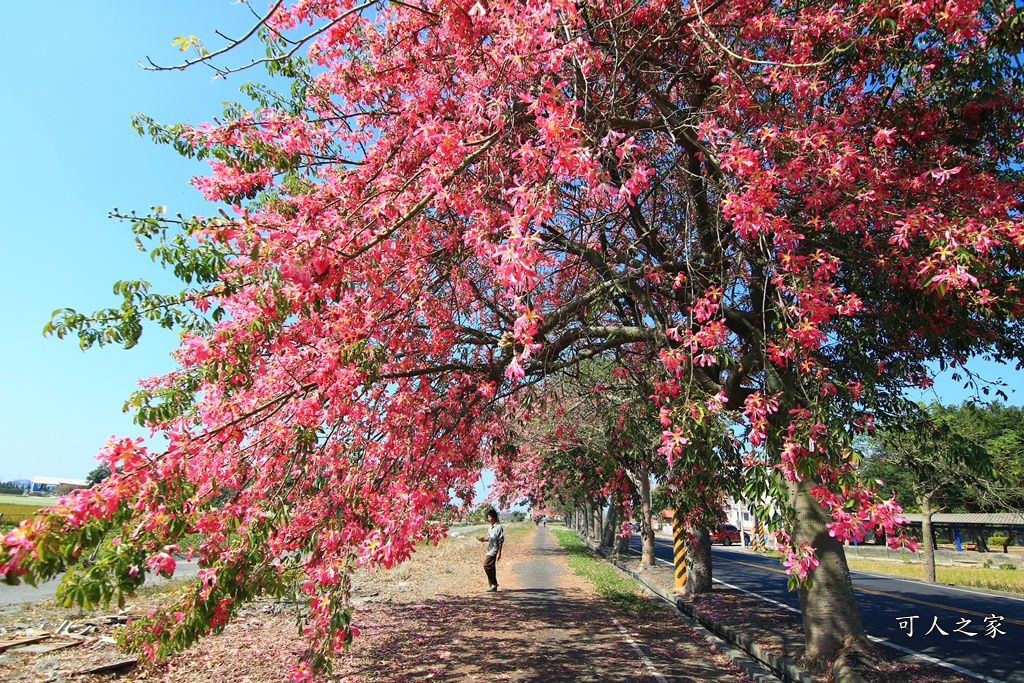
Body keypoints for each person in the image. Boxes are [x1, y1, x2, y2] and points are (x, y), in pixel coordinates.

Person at [477, 509, 504, 592]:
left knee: (486, 565)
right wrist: (483, 540)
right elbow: (489, 538)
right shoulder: (490, 527)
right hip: (489, 548)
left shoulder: (498, 527)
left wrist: (499, 553)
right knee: (491, 567)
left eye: (489, 517)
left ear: (494, 517)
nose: (488, 518)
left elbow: (501, 541)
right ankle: (493, 586)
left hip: (494, 549)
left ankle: (494, 583)